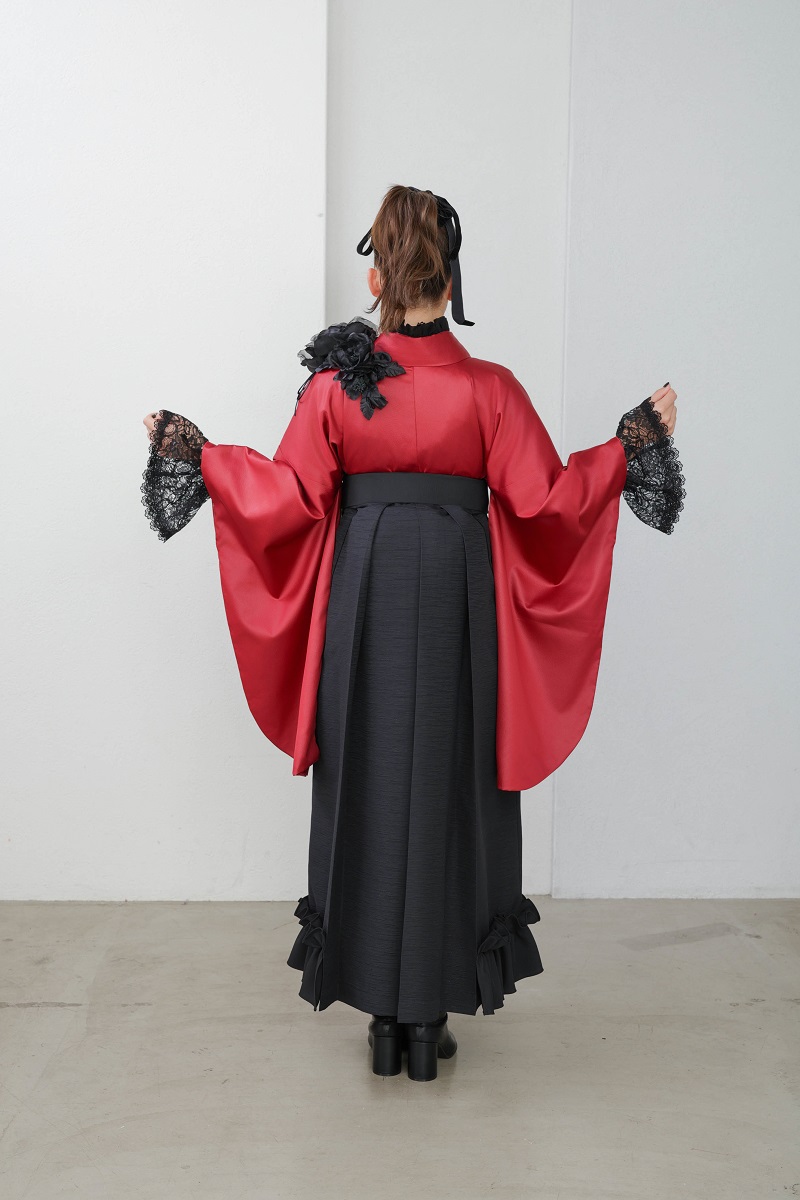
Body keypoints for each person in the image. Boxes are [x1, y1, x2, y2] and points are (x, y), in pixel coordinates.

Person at [141, 185, 685, 1082]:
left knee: (367, 775)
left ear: (376, 279)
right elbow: (549, 502)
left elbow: (286, 496)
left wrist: (199, 455)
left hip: (365, 592)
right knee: (454, 782)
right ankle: (430, 1018)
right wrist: (630, 445)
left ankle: (383, 1020)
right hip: (463, 600)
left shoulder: (334, 392)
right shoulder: (490, 391)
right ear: (451, 280)